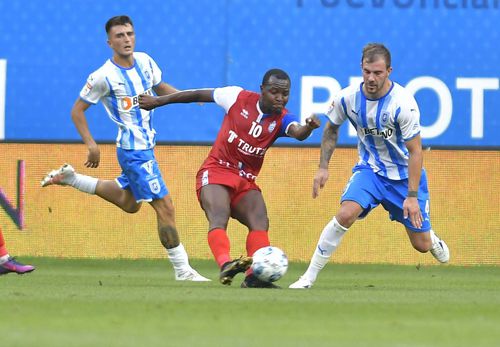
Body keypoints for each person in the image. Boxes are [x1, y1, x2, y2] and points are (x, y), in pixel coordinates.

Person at [41, 15, 209, 282]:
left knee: (129, 203)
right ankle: (183, 270)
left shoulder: (145, 61)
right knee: (165, 206)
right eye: (119, 36)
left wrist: (189, 98)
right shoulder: (102, 76)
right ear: (109, 42)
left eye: (129, 34)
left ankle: (72, 179)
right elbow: (77, 110)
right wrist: (91, 144)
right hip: (133, 151)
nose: (126, 39)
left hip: (147, 147)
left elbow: (160, 87)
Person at [139, 69, 321, 288]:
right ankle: (226, 264)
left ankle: (254, 277)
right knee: (219, 215)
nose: (280, 98)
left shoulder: (282, 118)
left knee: (260, 222)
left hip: (245, 180)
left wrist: (308, 127)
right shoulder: (236, 97)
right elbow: (197, 95)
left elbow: (298, 133)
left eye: (285, 94)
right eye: (274, 92)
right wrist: (159, 101)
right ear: (262, 90)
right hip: (217, 170)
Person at [289, 43, 450, 289]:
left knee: (422, 245)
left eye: (377, 72)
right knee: (345, 214)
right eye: (367, 72)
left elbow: (416, 152)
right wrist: (323, 167)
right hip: (370, 171)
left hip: (404, 178)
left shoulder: (403, 103)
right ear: (361, 69)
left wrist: (412, 196)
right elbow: (331, 128)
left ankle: (432, 238)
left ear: (389, 71)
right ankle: (307, 278)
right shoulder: (347, 98)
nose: (371, 78)